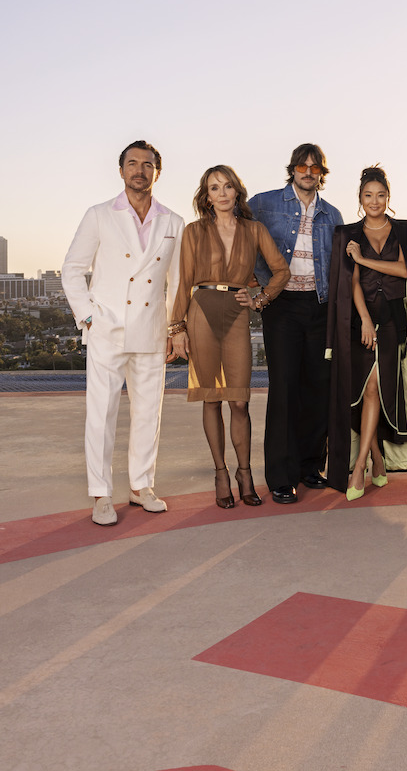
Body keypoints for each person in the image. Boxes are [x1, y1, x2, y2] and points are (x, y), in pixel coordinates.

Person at [62, 140, 184, 525]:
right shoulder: (99, 215)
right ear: (121, 171)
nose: (139, 170)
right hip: (107, 330)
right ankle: (101, 494)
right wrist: (89, 318)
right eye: (132, 164)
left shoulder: (174, 222)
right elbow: (72, 269)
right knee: (101, 414)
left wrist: (173, 327)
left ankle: (141, 486)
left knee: (149, 412)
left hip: (151, 331)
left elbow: (178, 283)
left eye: (147, 165)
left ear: (157, 172)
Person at [168, 166, 289, 509]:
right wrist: (176, 328)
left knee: (239, 400)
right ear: (206, 196)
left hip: (237, 313)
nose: (221, 193)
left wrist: (259, 299)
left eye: (227, 186)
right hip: (201, 311)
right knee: (211, 398)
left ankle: (245, 473)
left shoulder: (254, 230)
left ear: (237, 191)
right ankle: (221, 473)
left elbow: (282, 270)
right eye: (214, 188)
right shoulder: (194, 231)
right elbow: (183, 281)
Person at [326, 165, 407, 499]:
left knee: (377, 389)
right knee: (363, 391)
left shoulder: (402, 231)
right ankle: (377, 459)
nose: (375, 201)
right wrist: (364, 319)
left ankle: (359, 468)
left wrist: (364, 260)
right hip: (361, 321)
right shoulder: (349, 233)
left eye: (381, 195)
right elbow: (350, 284)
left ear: (388, 197)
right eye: (368, 196)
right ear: (360, 198)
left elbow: (406, 270)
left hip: (394, 320)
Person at [249, 144, 343, 504]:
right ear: (292, 170)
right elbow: (241, 235)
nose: (308, 172)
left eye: (315, 167)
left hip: (319, 306)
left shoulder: (332, 215)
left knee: (318, 388)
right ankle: (281, 476)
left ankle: (308, 466)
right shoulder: (264, 203)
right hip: (282, 305)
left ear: (322, 173)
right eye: (302, 166)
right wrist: (256, 279)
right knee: (285, 389)